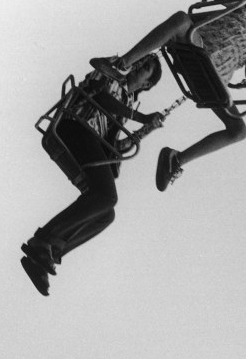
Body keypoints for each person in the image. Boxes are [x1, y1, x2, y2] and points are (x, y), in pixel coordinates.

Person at [88, 0, 246, 192]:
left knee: (239, 131)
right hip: (197, 47)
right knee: (181, 19)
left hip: (215, 81)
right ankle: (122, 65)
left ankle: (176, 159)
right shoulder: (241, 9)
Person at [20, 54, 164, 297]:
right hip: (75, 125)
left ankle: (49, 254)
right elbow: (100, 97)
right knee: (107, 196)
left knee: (106, 214)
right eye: (143, 60)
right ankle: (43, 241)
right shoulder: (113, 72)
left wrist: (140, 133)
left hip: (90, 138)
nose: (139, 64)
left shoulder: (125, 107)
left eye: (146, 66)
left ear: (147, 84)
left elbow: (111, 150)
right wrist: (138, 116)